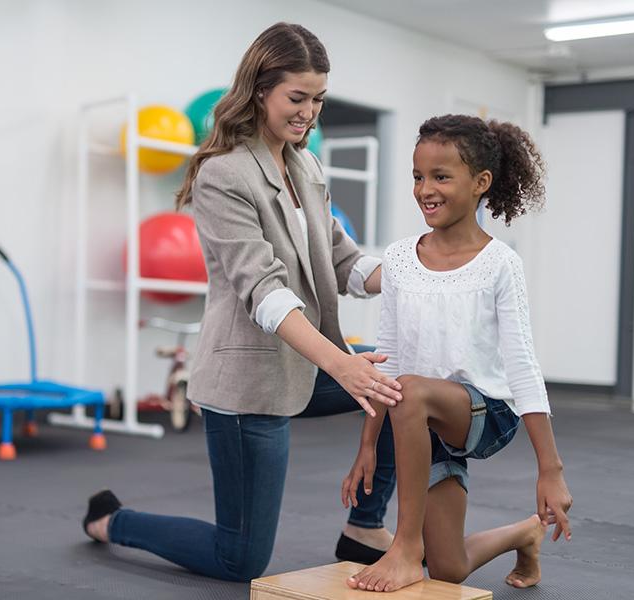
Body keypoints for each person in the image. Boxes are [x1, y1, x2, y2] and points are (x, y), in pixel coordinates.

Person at [81, 22, 406, 582]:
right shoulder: (222, 174)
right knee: (241, 560)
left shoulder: (305, 165)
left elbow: (343, 260)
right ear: (259, 90)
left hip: (303, 364)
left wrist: (418, 275)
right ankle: (113, 521)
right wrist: (343, 364)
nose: (309, 112)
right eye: (297, 98)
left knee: (406, 380)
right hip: (247, 385)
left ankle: (363, 527)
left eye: (318, 100)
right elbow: (265, 291)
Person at [344, 114, 574, 593]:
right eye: (418, 176)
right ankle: (523, 535)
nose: (425, 189)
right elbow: (387, 358)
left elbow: (523, 367)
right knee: (449, 567)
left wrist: (550, 470)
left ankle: (405, 548)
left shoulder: (500, 263)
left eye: (441, 177)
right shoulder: (401, 258)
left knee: (410, 394)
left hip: (488, 414)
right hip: (424, 420)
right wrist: (367, 444)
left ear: (480, 183)